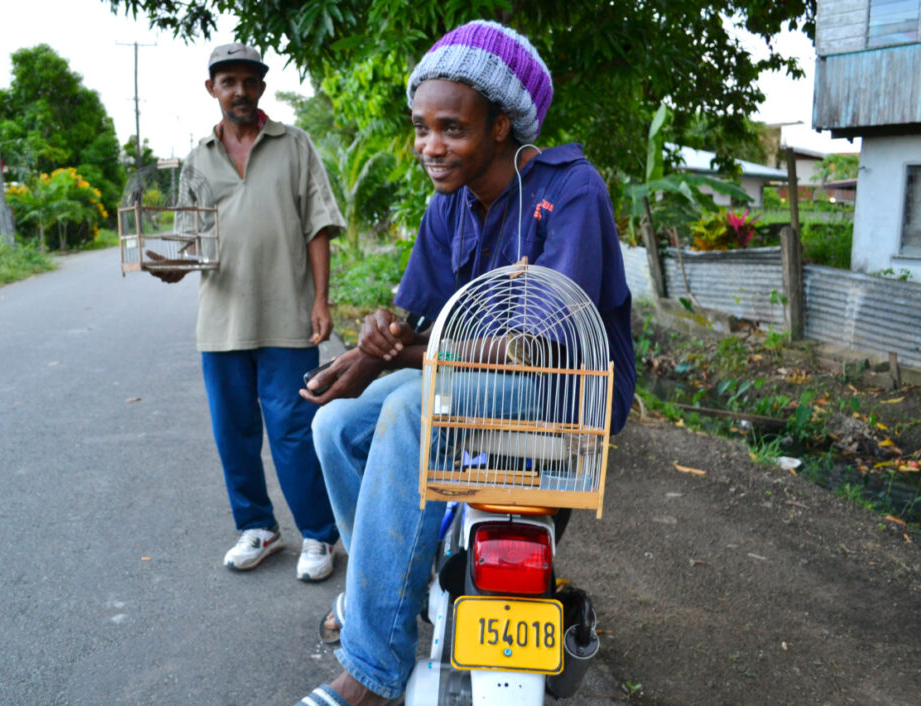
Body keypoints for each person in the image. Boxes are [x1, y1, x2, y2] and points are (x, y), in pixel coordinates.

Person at [294, 20, 636, 706]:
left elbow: (535, 347)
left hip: (565, 393)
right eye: (421, 128)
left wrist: (409, 352)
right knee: (335, 427)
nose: (430, 146)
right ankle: (386, 584)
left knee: (411, 407)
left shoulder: (568, 189)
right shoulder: (446, 207)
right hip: (474, 385)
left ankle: (368, 670)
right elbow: (412, 316)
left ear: (502, 126)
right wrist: (368, 349)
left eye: (451, 127)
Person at [151, 43, 343, 582]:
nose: (238, 90)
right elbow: (190, 242)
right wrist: (171, 267)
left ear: (261, 87)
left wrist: (321, 300)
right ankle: (258, 527)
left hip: (288, 315)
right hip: (221, 320)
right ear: (211, 88)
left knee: (292, 428)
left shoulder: (294, 144)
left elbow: (318, 225)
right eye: (227, 81)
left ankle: (318, 535)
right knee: (233, 430)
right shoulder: (197, 159)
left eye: (248, 80)